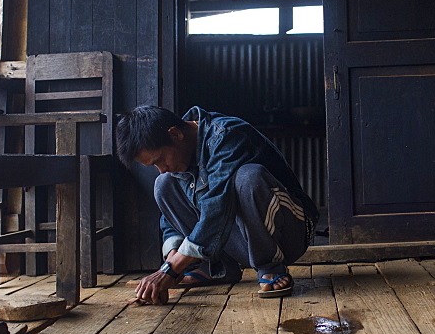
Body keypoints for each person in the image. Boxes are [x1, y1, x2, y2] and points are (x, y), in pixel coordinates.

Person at [116, 105, 319, 305]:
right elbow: (169, 219)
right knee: (164, 183)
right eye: (154, 165)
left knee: (248, 178)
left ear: (176, 135)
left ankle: (270, 266)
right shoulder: (176, 158)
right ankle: (218, 268)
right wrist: (171, 262)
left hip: (292, 233)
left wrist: (170, 268)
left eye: (160, 160)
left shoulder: (226, 135)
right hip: (243, 243)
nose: (161, 169)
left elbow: (217, 207)